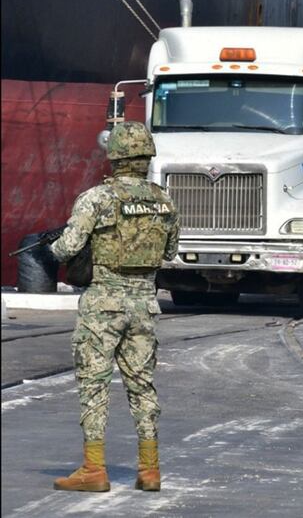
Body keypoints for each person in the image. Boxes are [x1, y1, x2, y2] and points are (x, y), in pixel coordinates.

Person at [49, 122, 180, 493]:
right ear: (146, 156)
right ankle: (150, 470)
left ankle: (94, 469)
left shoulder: (96, 199)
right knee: (143, 385)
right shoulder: (164, 201)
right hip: (144, 305)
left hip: (103, 304)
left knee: (94, 384)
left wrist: (55, 244)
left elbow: (65, 249)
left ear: (115, 155)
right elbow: (169, 253)